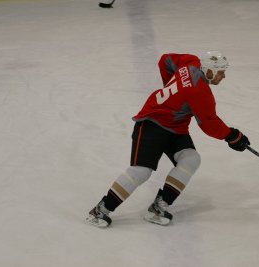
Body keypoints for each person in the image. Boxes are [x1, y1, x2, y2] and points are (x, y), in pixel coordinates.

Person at [85, 51, 250, 228]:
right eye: (220, 72)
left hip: (176, 127)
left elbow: (166, 60)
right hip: (151, 123)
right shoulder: (200, 91)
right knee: (141, 171)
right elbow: (209, 124)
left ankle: (158, 207)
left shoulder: (191, 62)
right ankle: (101, 210)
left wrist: (171, 88)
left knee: (191, 159)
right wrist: (233, 136)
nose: (223, 76)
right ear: (208, 71)